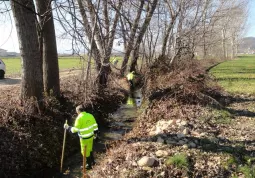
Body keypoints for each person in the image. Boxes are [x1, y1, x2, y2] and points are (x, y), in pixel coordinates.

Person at [64, 105, 98, 169]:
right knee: (90, 149)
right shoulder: (90, 115)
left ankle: (89, 165)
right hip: (91, 136)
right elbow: (95, 125)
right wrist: (95, 134)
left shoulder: (79, 118)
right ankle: (93, 162)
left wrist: (68, 127)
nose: (76, 112)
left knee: (84, 151)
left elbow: (75, 130)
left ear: (78, 111)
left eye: (76, 111)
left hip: (84, 138)